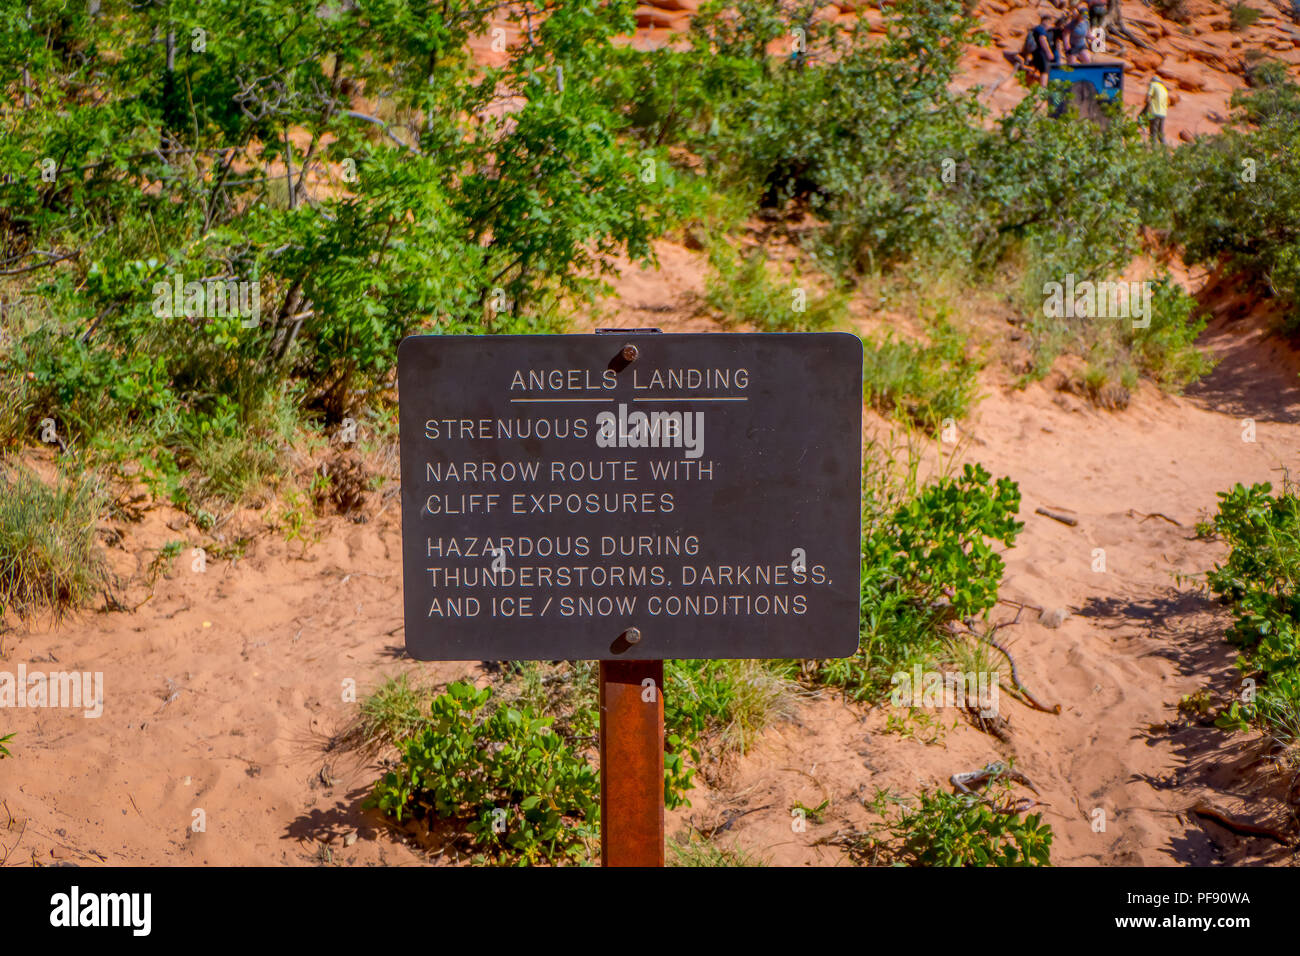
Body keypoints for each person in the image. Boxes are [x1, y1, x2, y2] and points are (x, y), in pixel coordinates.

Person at [1029, 13, 1057, 88]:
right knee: (1044, 70)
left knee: (1042, 69)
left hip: (1039, 52)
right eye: (1049, 22)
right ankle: (1043, 87)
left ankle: (1038, 86)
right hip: (1041, 52)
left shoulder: (1041, 29)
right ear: (1045, 21)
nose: (1050, 24)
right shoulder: (1040, 29)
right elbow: (1042, 39)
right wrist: (1048, 52)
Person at [1141, 75, 1169, 144]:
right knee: (1160, 133)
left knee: (1153, 133)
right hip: (1163, 113)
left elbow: (1148, 98)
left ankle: (1154, 150)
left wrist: (1146, 109)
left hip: (1154, 112)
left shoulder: (1153, 85)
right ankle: (1165, 151)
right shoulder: (1164, 88)